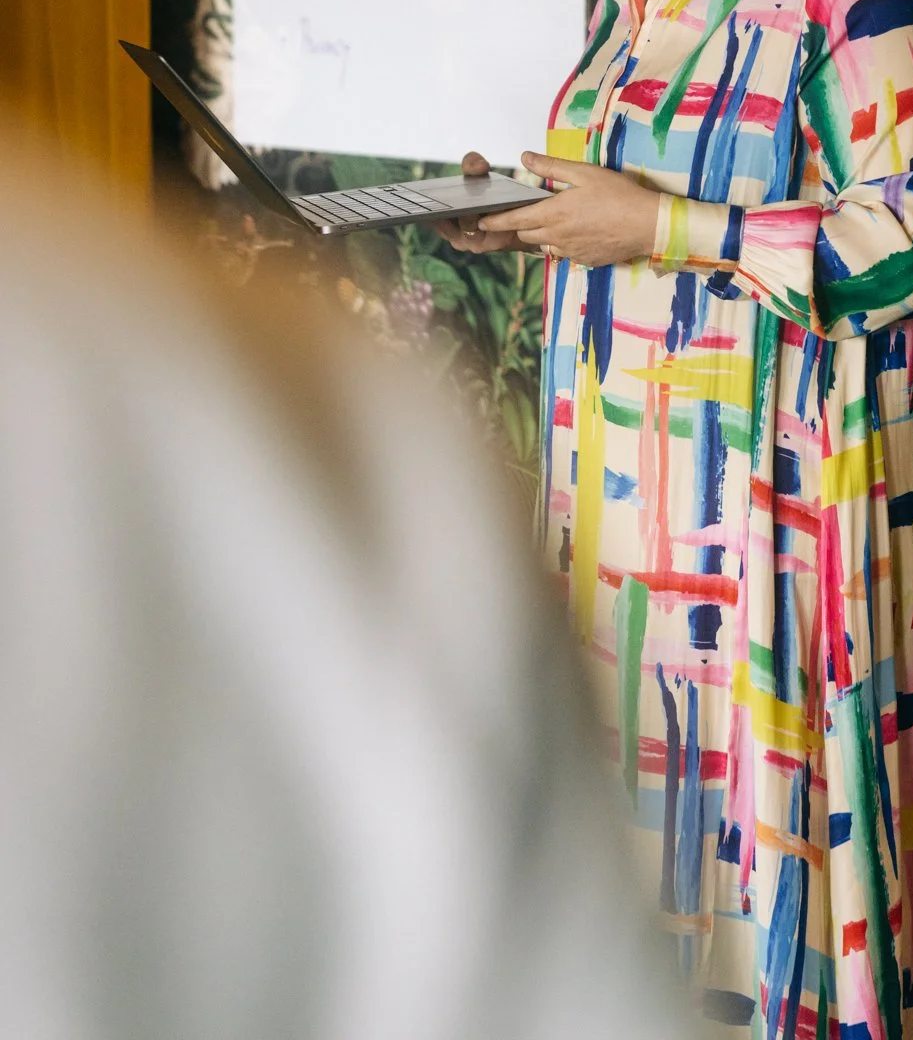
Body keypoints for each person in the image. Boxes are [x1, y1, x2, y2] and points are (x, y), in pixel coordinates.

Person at [446, 0, 913, 1038]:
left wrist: (657, 224)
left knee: (771, 871)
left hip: (770, 511)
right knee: (646, 895)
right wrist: (553, 203)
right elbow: (657, 186)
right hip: (621, 509)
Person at [0, 126, 690, 1040]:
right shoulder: (291, 390)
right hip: (625, 460)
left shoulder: (204, 382)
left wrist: (651, 223)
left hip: (710, 469)